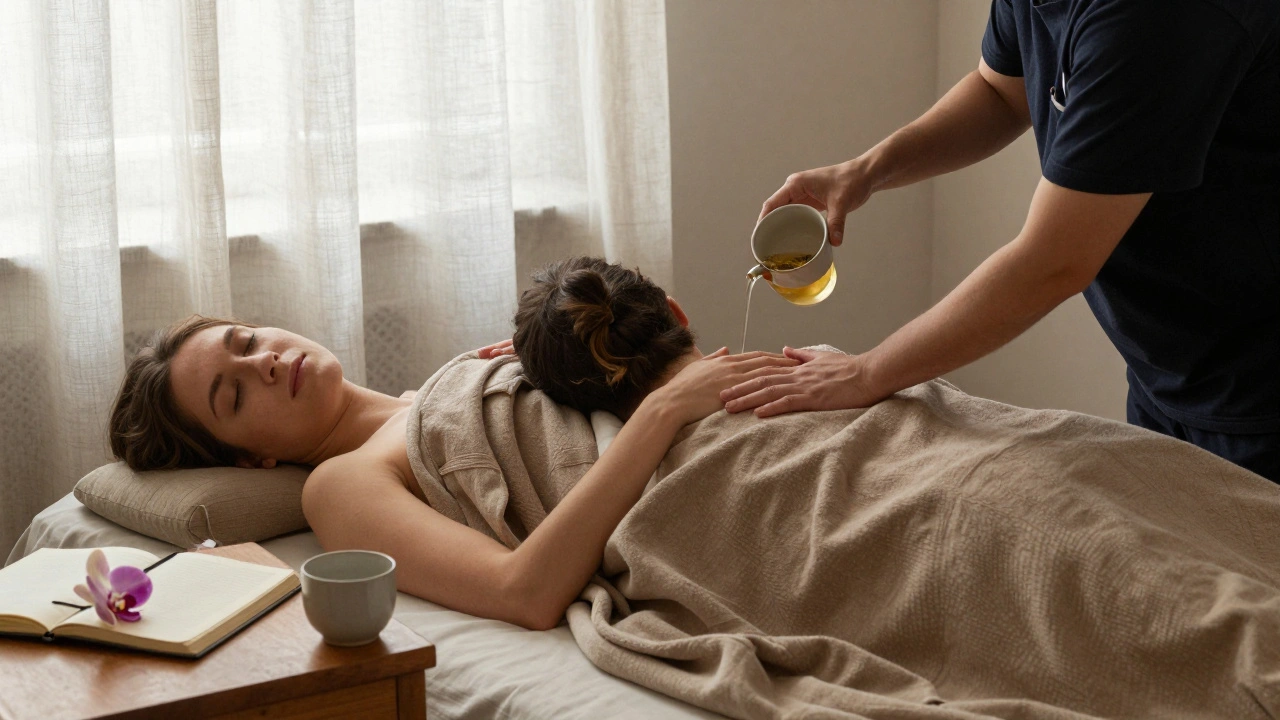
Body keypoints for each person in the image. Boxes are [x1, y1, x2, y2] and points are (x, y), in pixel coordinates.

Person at [724, 0, 1279, 483]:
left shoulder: (1160, 17)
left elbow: (1052, 263)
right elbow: (1000, 93)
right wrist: (868, 170)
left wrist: (866, 374)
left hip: (1257, 387)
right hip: (1171, 367)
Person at [108, 310, 796, 630]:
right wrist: (661, 415)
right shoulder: (341, 484)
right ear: (249, 459)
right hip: (716, 497)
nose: (263, 362)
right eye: (235, 394)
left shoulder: (455, 379)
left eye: (248, 340)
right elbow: (522, 593)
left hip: (758, 429)